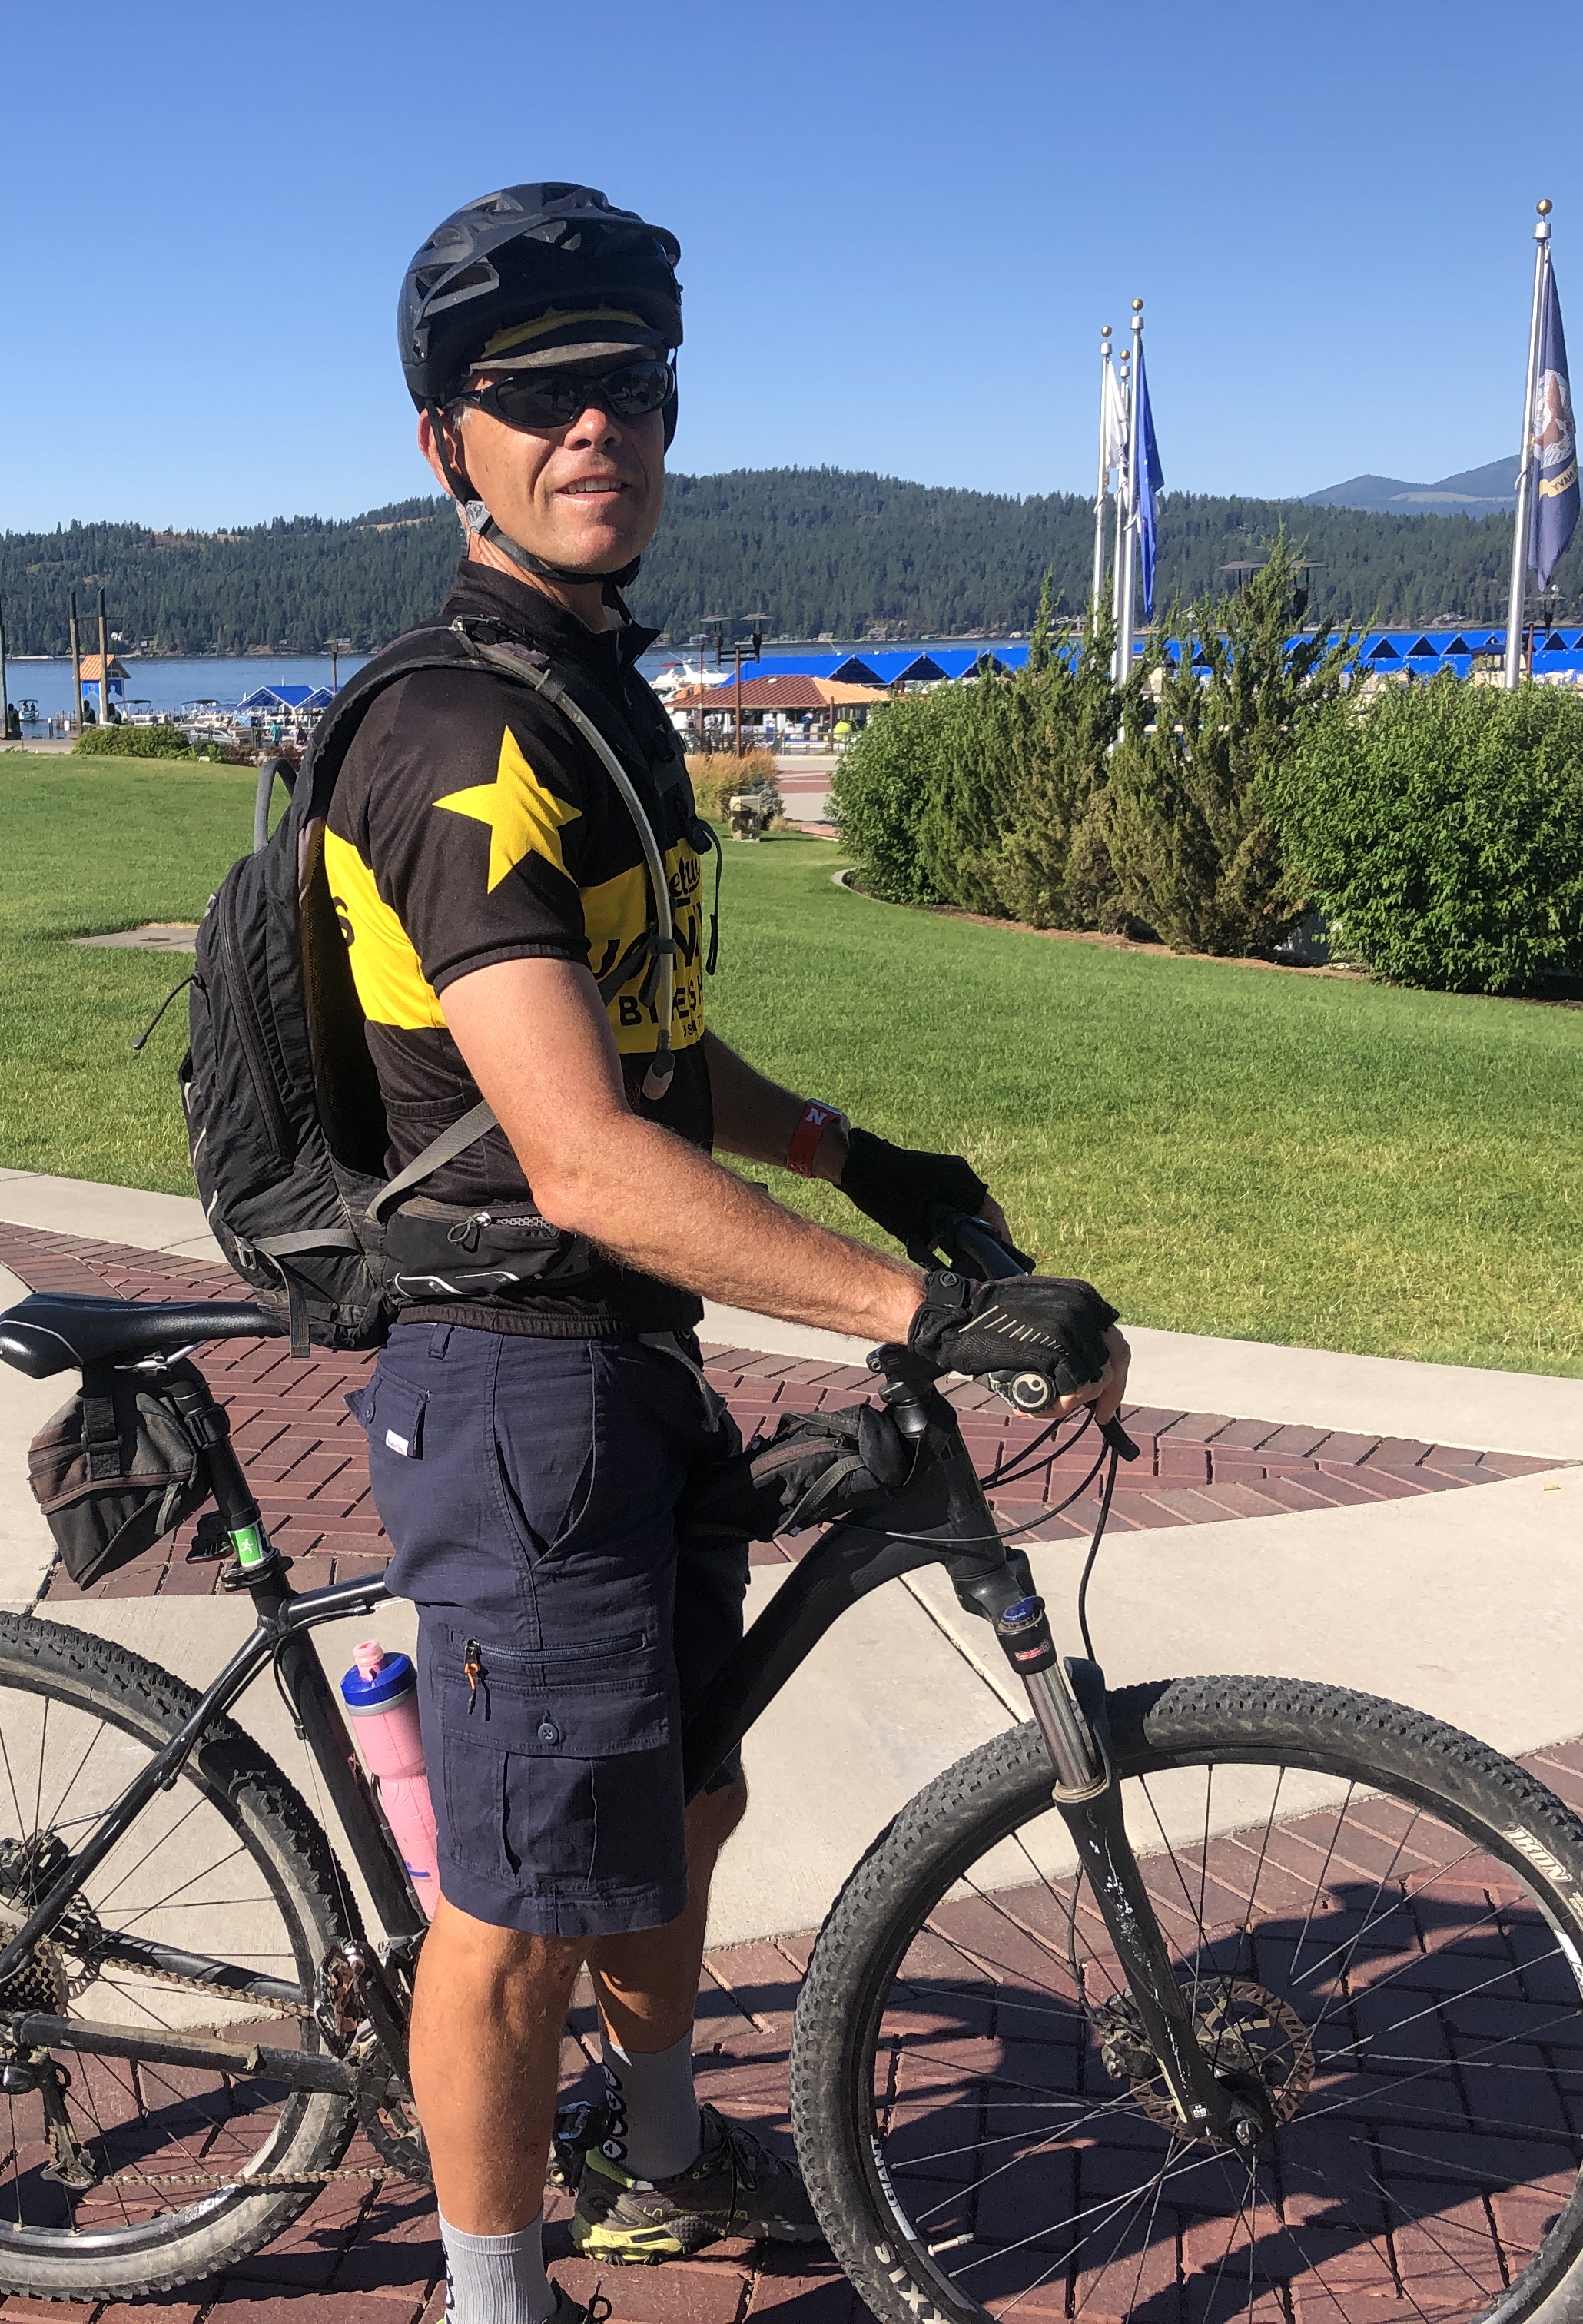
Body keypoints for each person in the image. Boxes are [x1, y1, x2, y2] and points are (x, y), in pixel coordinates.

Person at [336, 185, 1127, 2324]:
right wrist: (928, 1311)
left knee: (682, 1798)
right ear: (448, 442)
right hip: (514, 1381)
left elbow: (657, 1052)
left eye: (630, 385)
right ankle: (492, 2301)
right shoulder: (461, 737)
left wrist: (864, 1158)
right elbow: (585, 1154)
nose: (594, 426)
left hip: (625, 1370)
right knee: (513, 1908)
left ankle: (663, 2160)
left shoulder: (599, 698)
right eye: (534, 396)